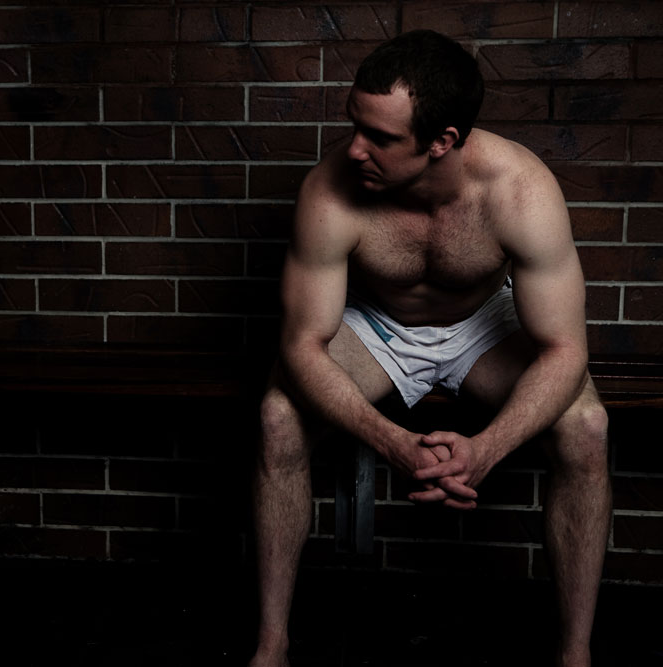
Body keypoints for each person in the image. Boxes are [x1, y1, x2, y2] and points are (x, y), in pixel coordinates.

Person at [249, 30, 610, 667]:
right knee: (279, 418)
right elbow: (303, 344)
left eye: (380, 137)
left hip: (483, 325)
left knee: (586, 428)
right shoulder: (330, 191)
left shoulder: (520, 190)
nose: (354, 149)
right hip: (378, 324)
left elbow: (563, 350)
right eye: (354, 125)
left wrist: (486, 449)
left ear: (442, 140)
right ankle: (272, 645)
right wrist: (393, 441)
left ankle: (575, 654)